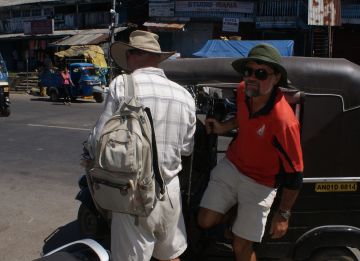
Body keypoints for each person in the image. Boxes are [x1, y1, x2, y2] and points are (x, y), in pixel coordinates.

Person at [82, 30, 196, 261]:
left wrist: (89, 155)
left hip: (132, 194)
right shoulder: (185, 95)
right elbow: (186, 149)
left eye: (129, 54)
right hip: (170, 191)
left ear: (135, 55)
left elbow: (98, 140)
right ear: (157, 58)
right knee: (170, 256)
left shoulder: (122, 85)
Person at [197, 44, 304, 261]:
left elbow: (295, 174)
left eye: (261, 73)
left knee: (241, 248)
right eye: (248, 71)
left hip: (260, 183)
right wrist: (223, 127)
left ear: (275, 79)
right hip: (233, 165)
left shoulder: (283, 121)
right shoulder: (244, 91)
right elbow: (244, 118)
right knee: (204, 220)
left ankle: (239, 219)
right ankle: (236, 213)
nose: (252, 77)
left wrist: (283, 214)